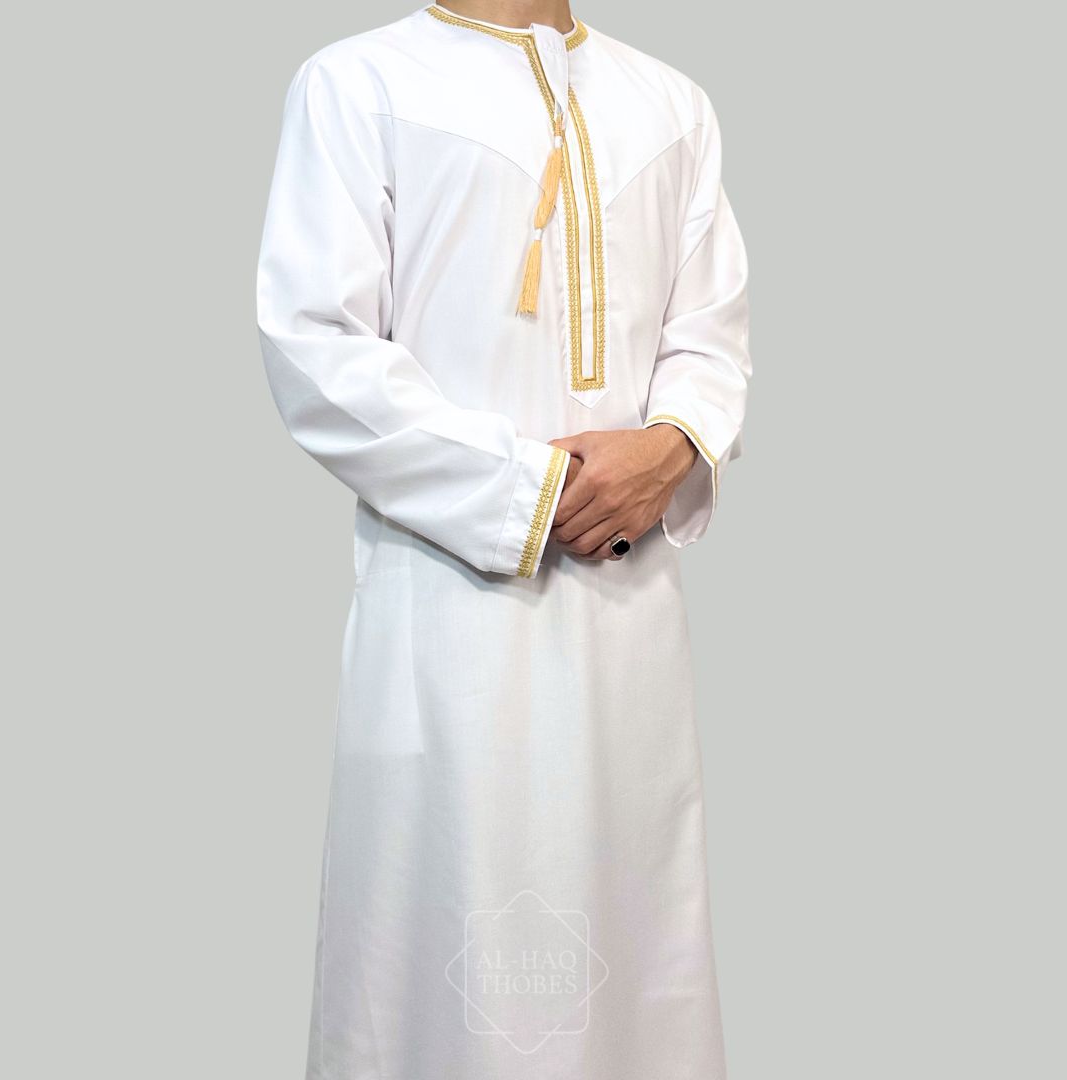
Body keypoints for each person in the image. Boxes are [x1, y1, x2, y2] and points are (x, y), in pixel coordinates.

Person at [255, 2, 751, 1077]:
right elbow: (317, 351)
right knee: (444, 962)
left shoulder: (671, 106)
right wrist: (527, 490)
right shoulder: (361, 86)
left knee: (635, 960)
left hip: (629, 632)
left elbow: (711, 342)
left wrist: (670, 447)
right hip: (447, 621)